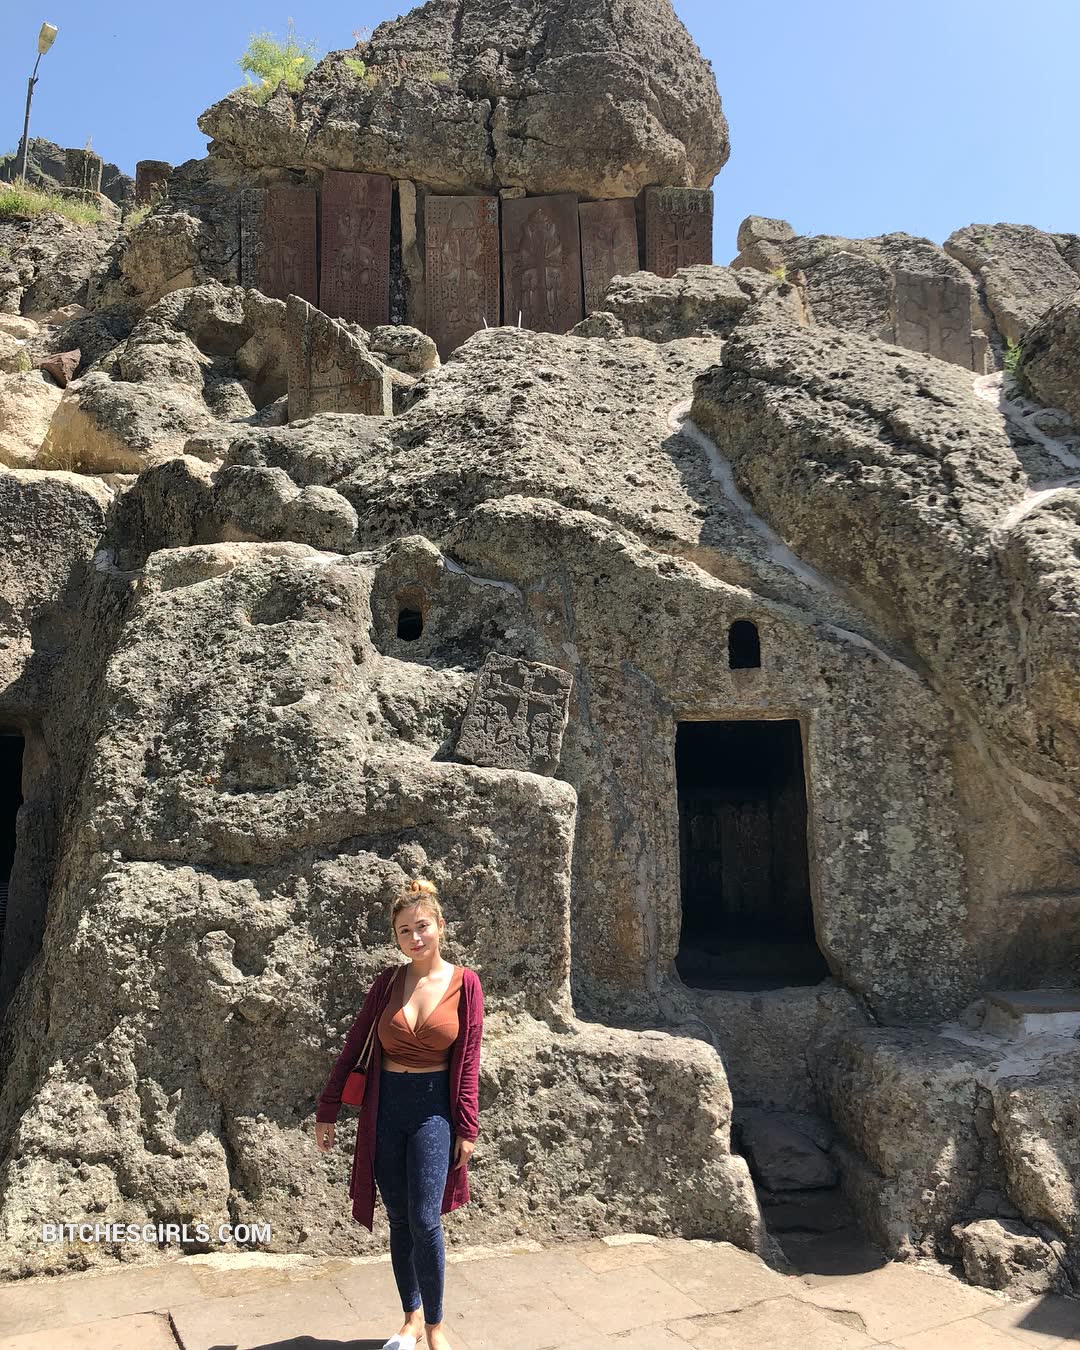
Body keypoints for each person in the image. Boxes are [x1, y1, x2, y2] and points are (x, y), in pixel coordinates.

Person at [315, 878, 484, 1350]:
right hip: (385, 1107)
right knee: (399, 1218)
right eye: (404, 930)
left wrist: (467, 1126)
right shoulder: (387, 982)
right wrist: (328, 1108)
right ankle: (410, 1318)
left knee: (426, 1218)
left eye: (422, 926)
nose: (415, 937)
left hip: (433, 1111)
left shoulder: (466, 983)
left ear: (440, 926)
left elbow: (469, 1060)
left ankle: (435, 1326)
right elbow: (354, 1045)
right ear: (396, 936)